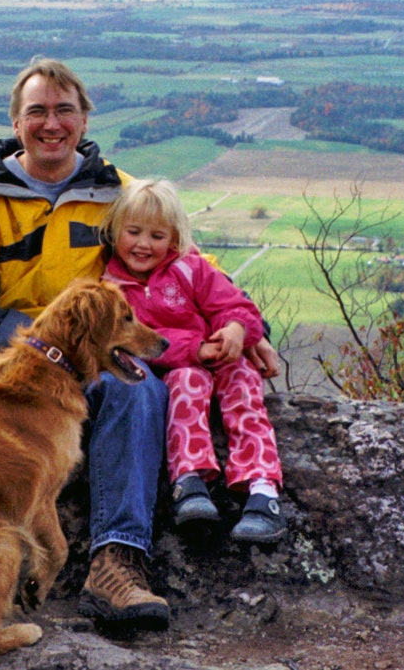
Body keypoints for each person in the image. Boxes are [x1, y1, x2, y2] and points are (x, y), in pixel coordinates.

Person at [0, 57, 275, 631]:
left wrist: (245, 327)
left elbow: (186, 260)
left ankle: (116, 565)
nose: (51, 123)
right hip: (0, 357)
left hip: (89, 358)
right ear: (16, 123)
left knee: (140, 394)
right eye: (37, 111)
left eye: (65, 110)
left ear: (84, 120)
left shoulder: (117, 192)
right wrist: (45, 349)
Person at [101, 178, 286, 544]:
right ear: (113, 231)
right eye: (133, 232)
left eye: (157, 236)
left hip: (222, 356)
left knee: (244, 385)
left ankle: (263, 491)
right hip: (178, 368)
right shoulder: (110, 289)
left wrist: (235, 330)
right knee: (188, 384)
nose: (142, 244)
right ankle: (190, 482)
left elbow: (235, 305)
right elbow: (130, 345)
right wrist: (195, 349)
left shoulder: (191, 268)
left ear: (174, 237)